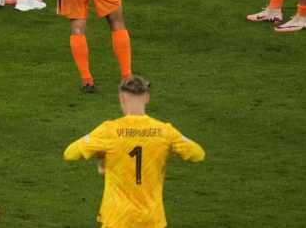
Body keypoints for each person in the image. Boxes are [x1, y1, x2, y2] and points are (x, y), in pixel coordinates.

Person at [64, 76, 205, 227]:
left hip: (117, 219)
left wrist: (100, 152)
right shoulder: (165, 132)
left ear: (122, 98)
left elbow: (70, 154)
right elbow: (198, 154)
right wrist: (170, 149)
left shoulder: (109, 131)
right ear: (146, 98)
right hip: (151, 220)